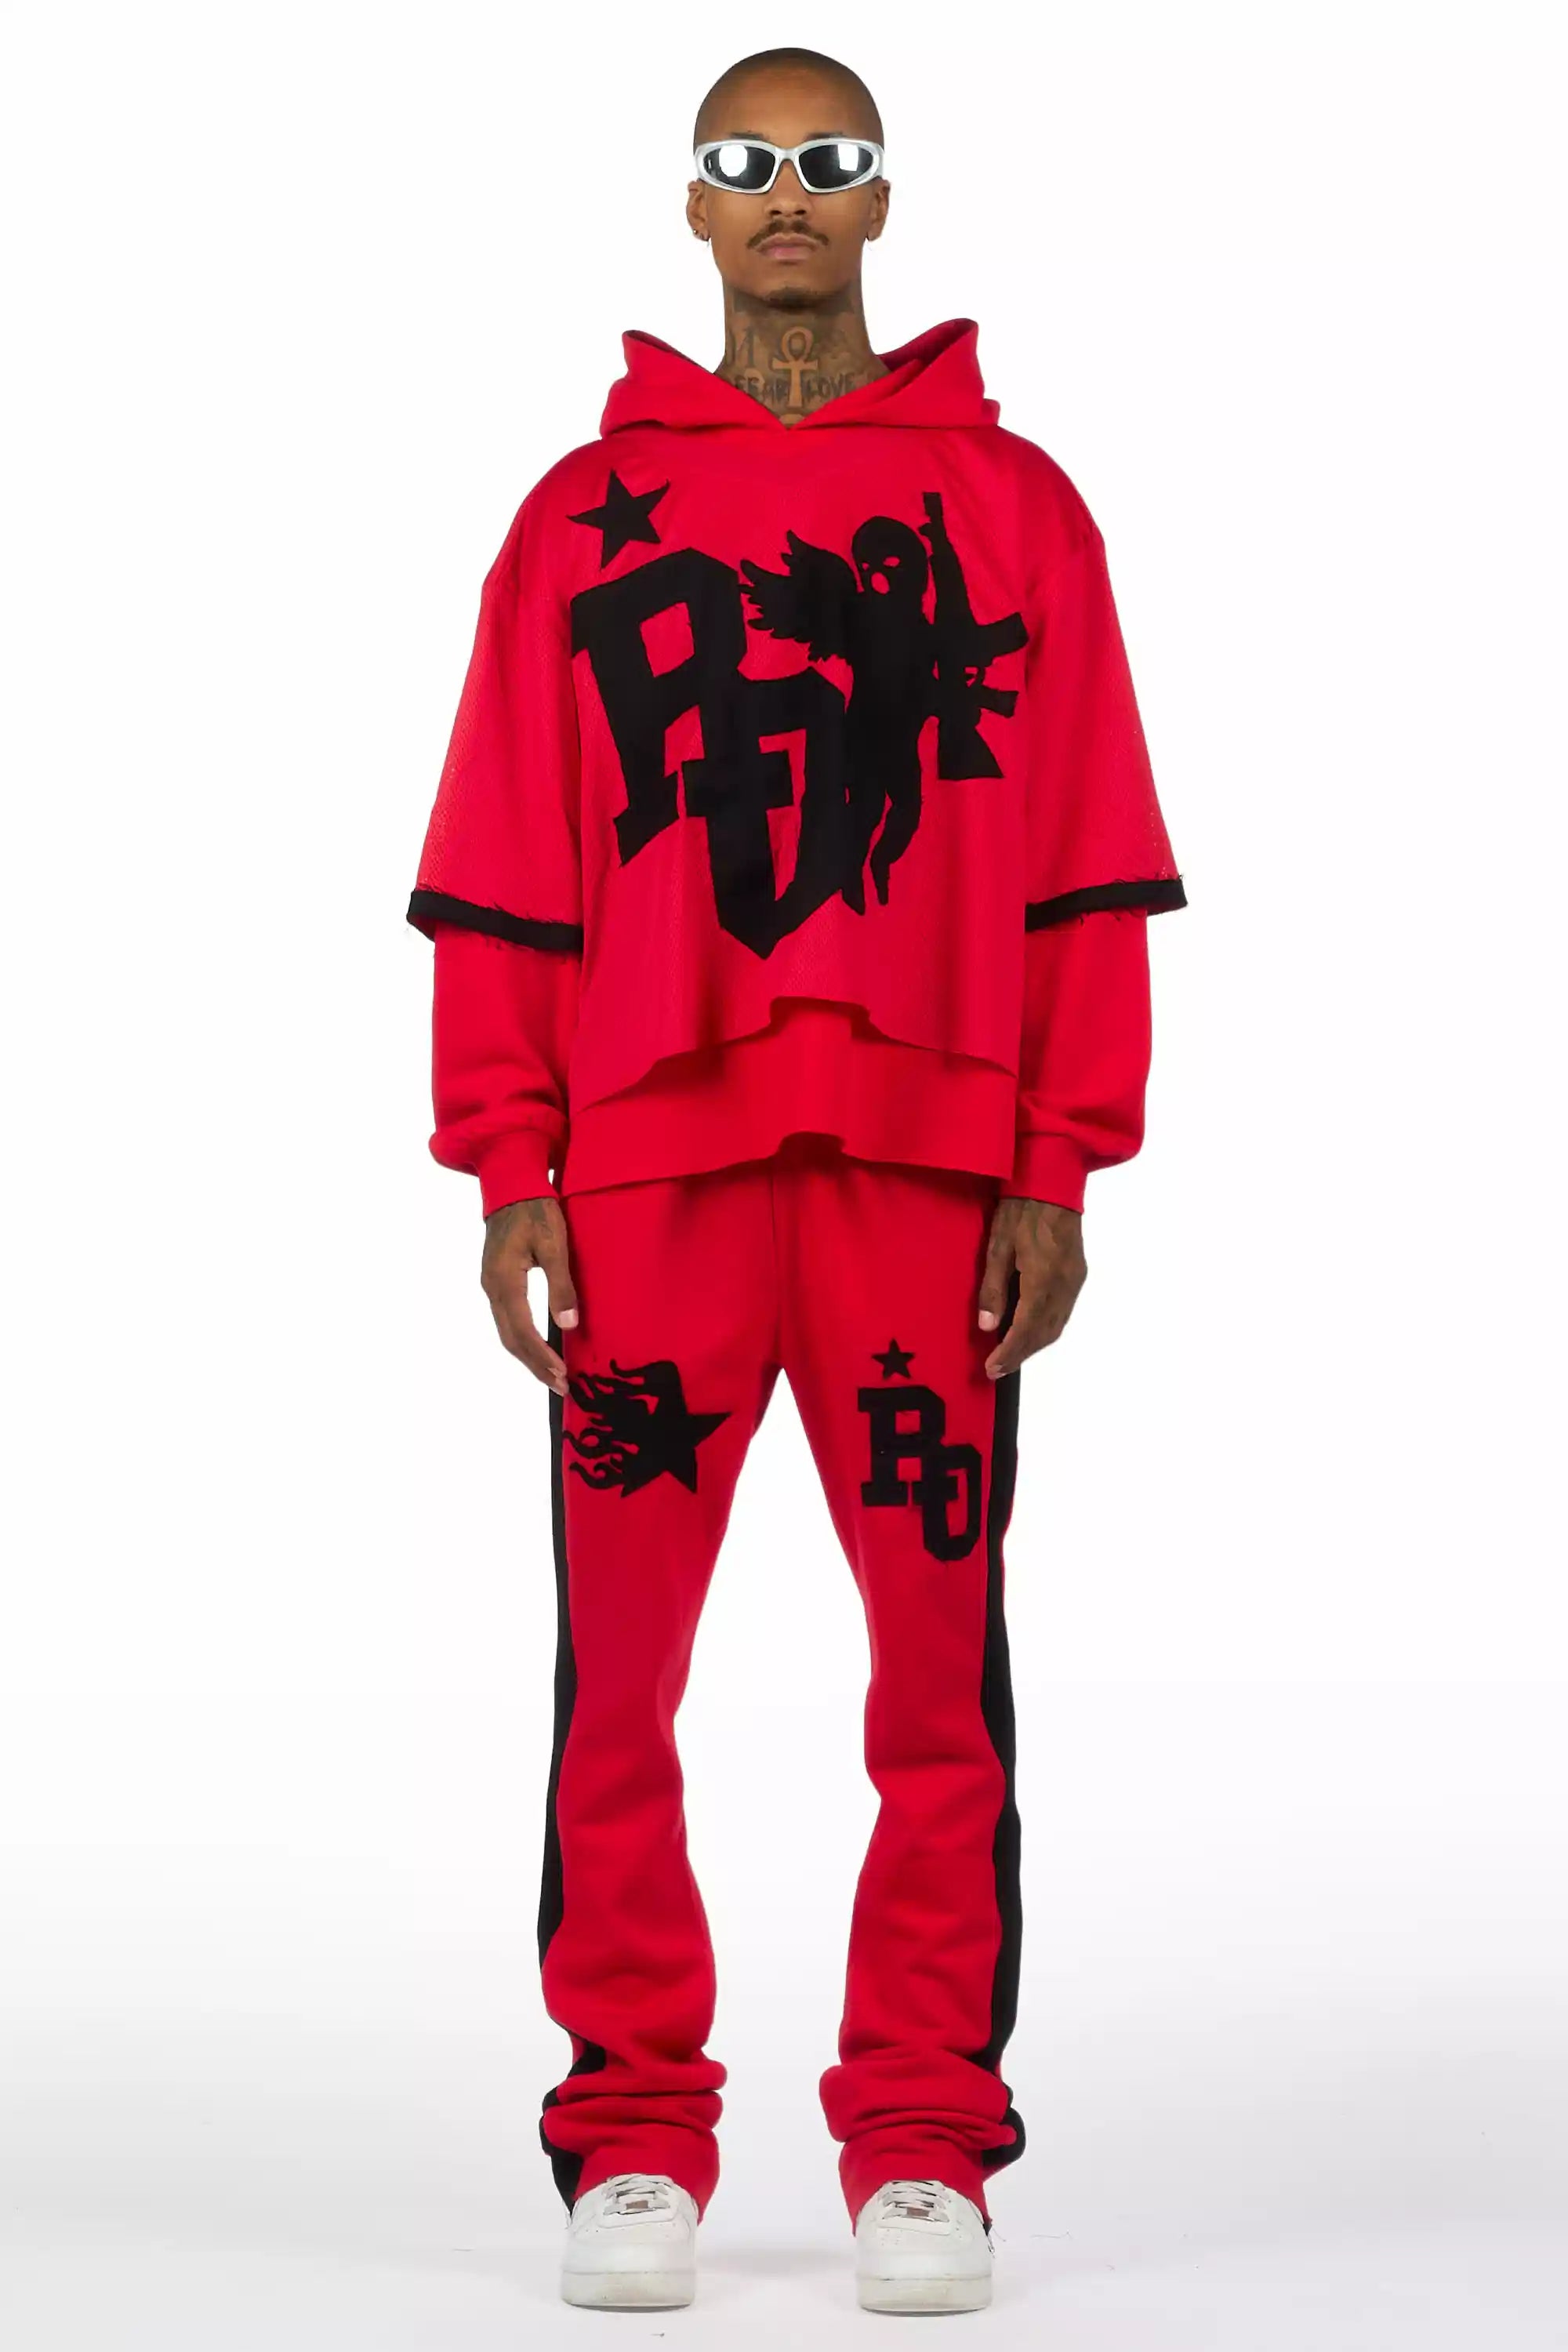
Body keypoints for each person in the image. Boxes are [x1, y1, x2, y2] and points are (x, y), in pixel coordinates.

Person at [407, 45, 1183, 2316]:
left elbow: (1085, 853)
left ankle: (922, 2138)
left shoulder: (1015, 509)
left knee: (937, 1685)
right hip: (649, 1170)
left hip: (931, 1176)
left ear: (880, 203)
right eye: (743, 163)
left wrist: (1060, 1160)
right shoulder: (580, 518)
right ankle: (633, 2131)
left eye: (825, 163)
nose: (784, 198)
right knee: (619, 1688)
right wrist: (508, 1159)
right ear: (690, 206)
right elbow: (508, 848)